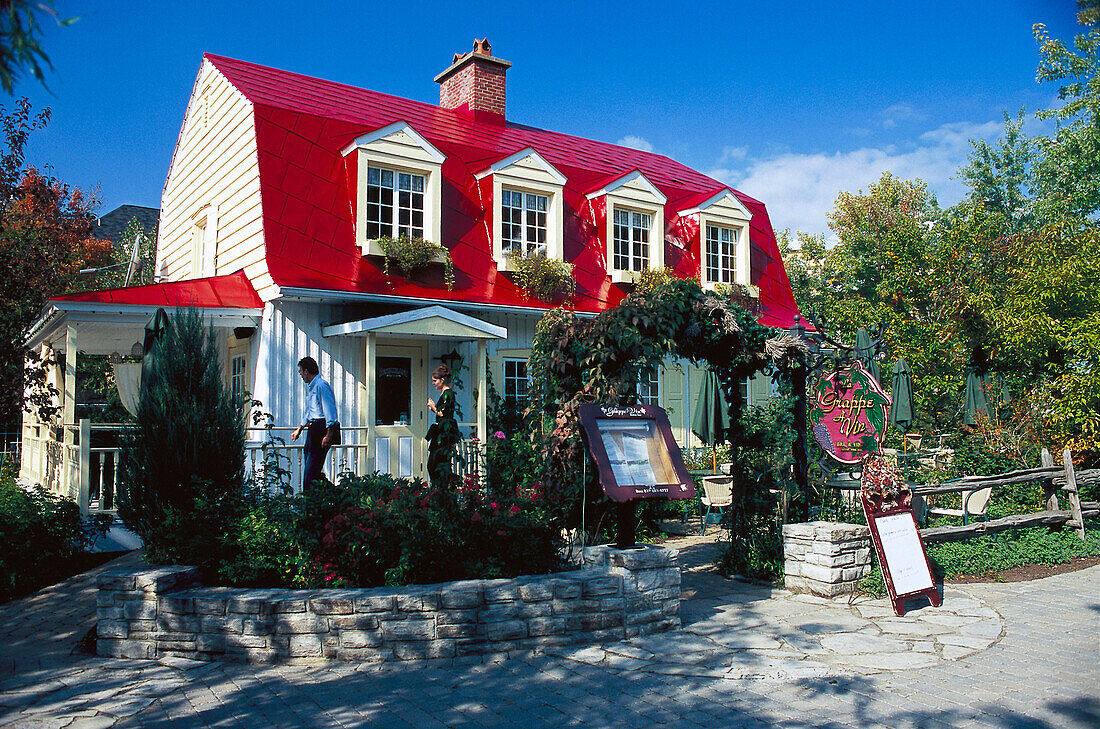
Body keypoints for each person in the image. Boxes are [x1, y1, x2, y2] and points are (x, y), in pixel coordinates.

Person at [290, 356, 340, 490]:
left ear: (306, 371)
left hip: (321, 429)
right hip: (313, 429)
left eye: (300, 371)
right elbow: (309, 412)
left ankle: (336, 495)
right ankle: (332, 497)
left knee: (311, 474)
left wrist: (329, 435)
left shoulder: (321, 386)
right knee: (312, 473)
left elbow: (330, 412)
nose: (300, 374)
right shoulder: (313, 387)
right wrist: (299, 429)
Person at [425, 364, 460, 489]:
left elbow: (444, 414)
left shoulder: (448, 394)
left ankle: (441, 488)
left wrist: (433, 407)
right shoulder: (443, 394)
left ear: (442, 380)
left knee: (435, 463)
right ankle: (438, 488)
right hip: (439, 431)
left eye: (435, 381)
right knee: (433, 464)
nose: (433, 383)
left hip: (443, 433)